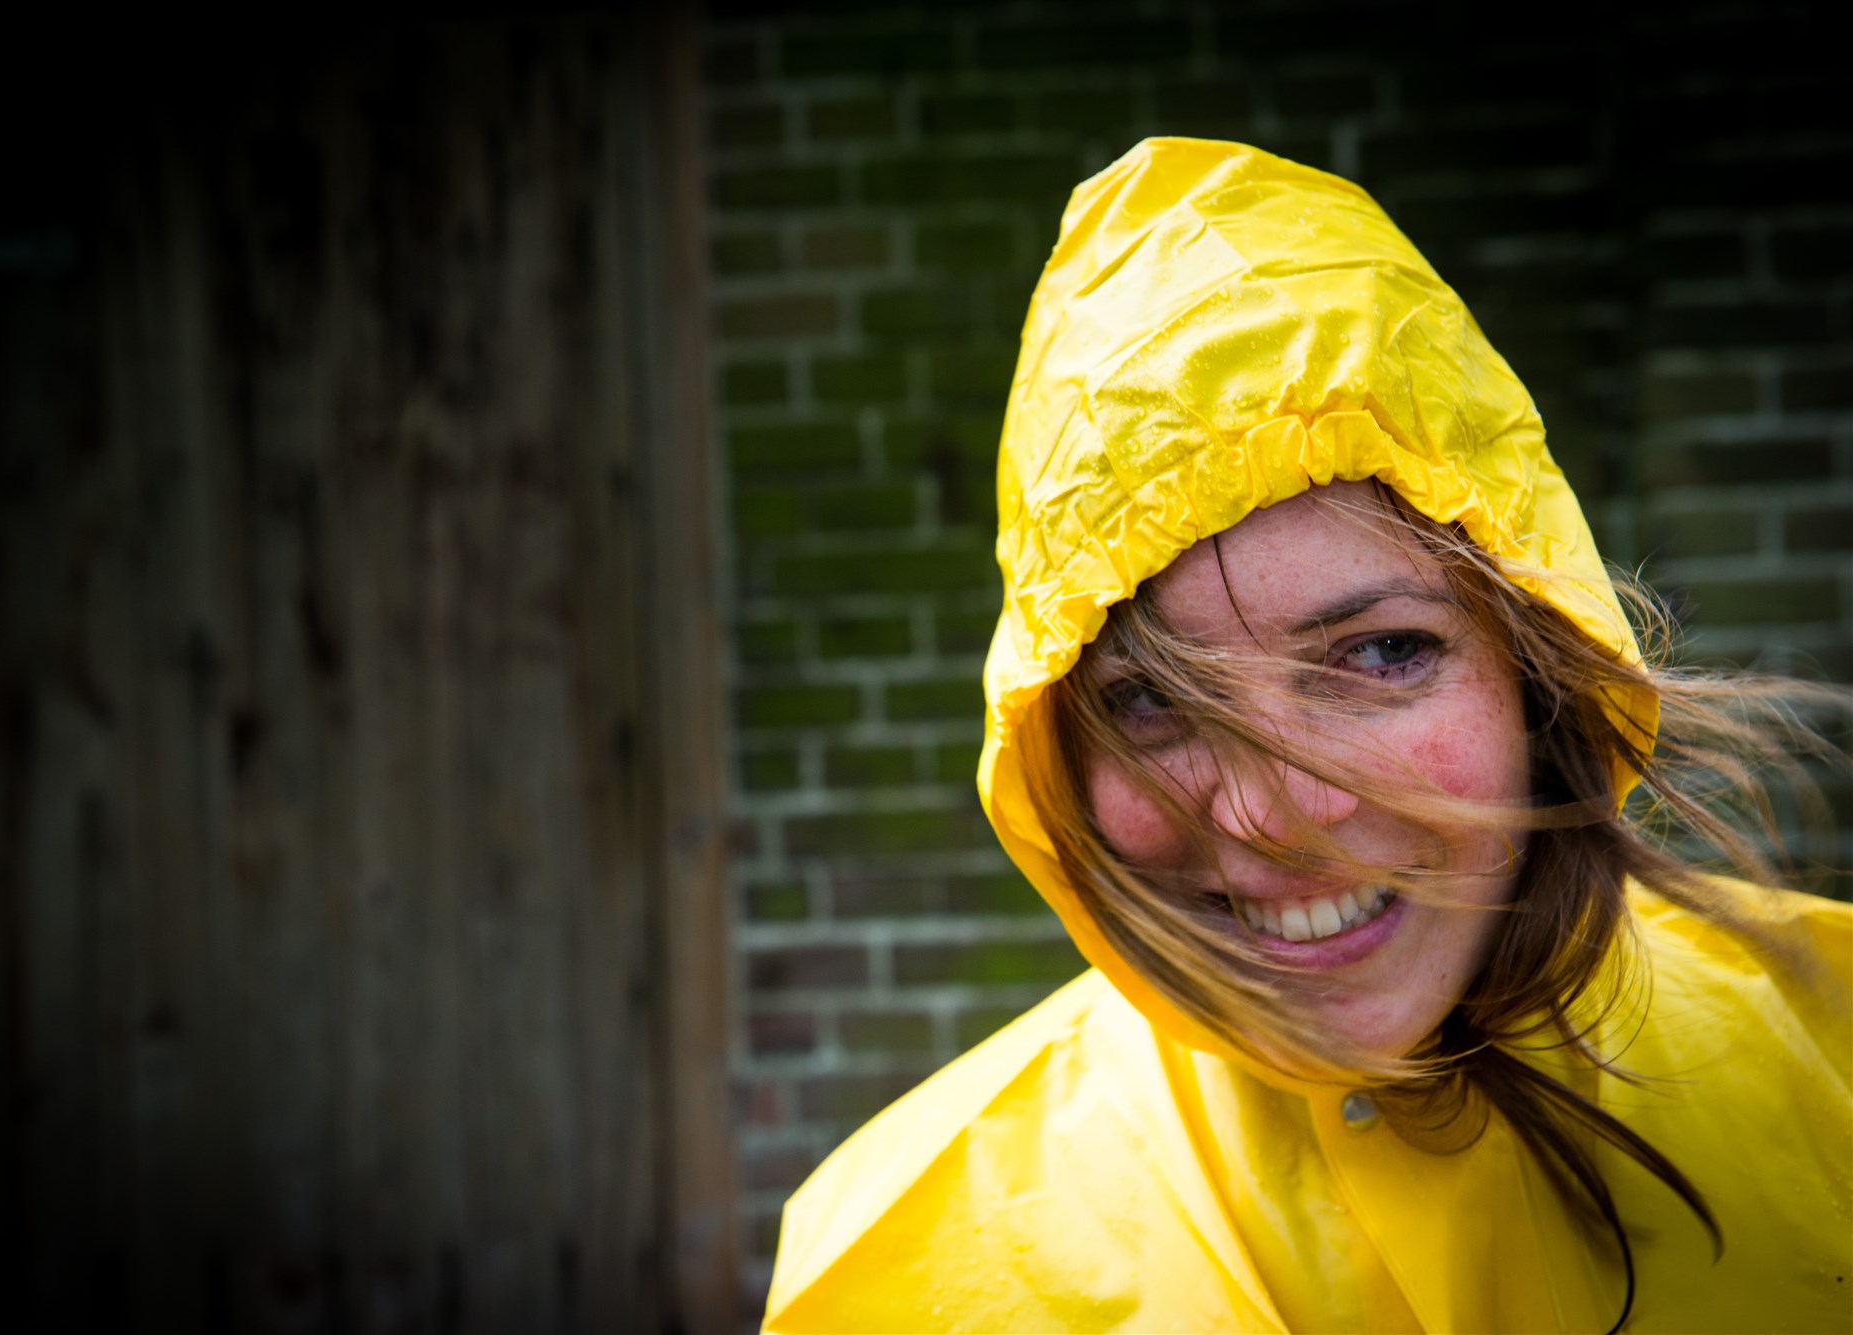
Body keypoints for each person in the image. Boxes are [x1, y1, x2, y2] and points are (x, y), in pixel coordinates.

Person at [759, 139, 1852, 1333]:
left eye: (1380, 654)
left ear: (1534, 661)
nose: (1277, 818)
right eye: (1149, 703)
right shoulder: (904, 1264)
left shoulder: (1831, 1050)